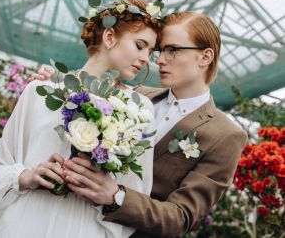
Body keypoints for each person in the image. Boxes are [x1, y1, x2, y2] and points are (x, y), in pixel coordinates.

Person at [32, 12, 248, 237]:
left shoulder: (226, 135)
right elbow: (80, 97)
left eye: (172, 50)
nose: (160, 60)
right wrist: (54, 85)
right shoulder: (130, 96)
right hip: (76, 224)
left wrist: (116, 196)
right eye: (160, 50)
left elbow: (181, 217)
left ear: (205, 57)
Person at [0, 0, 163, 238]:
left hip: (84, 226)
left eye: (151, 52)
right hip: (25, 220)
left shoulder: (140, 109)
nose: (146, 59)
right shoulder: (41, 91)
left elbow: (138, 188)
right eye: (140, 45)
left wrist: (107, 190)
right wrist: (27, 176)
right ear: (109, 37)